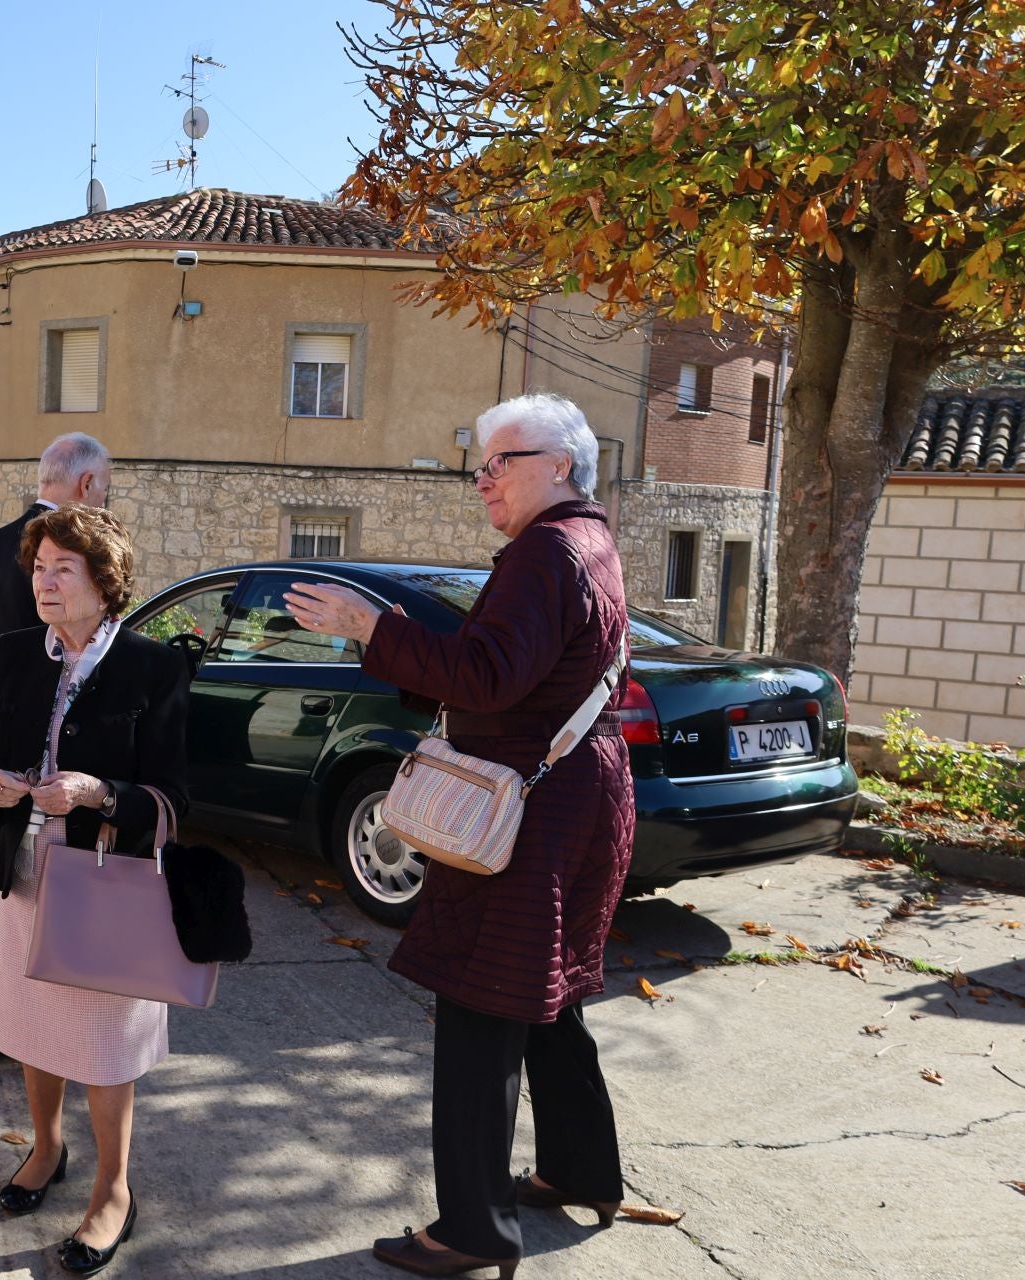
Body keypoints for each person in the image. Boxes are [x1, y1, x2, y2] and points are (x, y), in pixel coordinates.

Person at [285, 393, 634, 1280]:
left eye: (499, 462)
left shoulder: (543, 553)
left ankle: (472, 1230)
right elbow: (519, 676)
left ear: (559, 465)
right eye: (478, 464)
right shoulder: (588, 542)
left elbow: (485, 677)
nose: (482, 481)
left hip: (525, 818)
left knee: (481, 1011)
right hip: (577, 802)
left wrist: (370, 627)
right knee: (549, 1000)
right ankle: (580, 1169)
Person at [0, 506, 189, 1277]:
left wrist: (100, 793)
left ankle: (113, 1189)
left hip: (107, 884)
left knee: (103, 1042)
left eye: (62, 569)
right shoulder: (13, 654)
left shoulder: (152, 669)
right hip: (21, 874)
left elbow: (177, 798)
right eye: (38, 568)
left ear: (104, 582)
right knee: (31, 1026)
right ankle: (47, 1147)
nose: (44, 583)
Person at [0, 433, 112, 1063]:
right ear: (86, 485)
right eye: (106, 483)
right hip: (44, 735)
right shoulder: (79, 551)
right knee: (42, 889)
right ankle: (42, 1030)